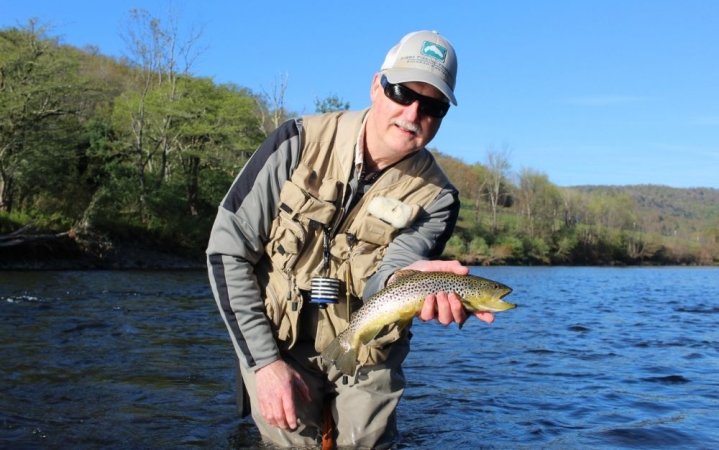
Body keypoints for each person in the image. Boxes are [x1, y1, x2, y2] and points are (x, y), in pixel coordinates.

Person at [207, 30, 495, 449]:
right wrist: (264, 365)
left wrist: (407, 283)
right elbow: (225, 251)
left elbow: (389, 278)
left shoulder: (437, 198)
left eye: (432, 105)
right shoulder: (296, 142)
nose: (413, 113)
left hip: (366, 344)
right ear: (377, 85)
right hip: (275, 340)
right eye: (402, 92)